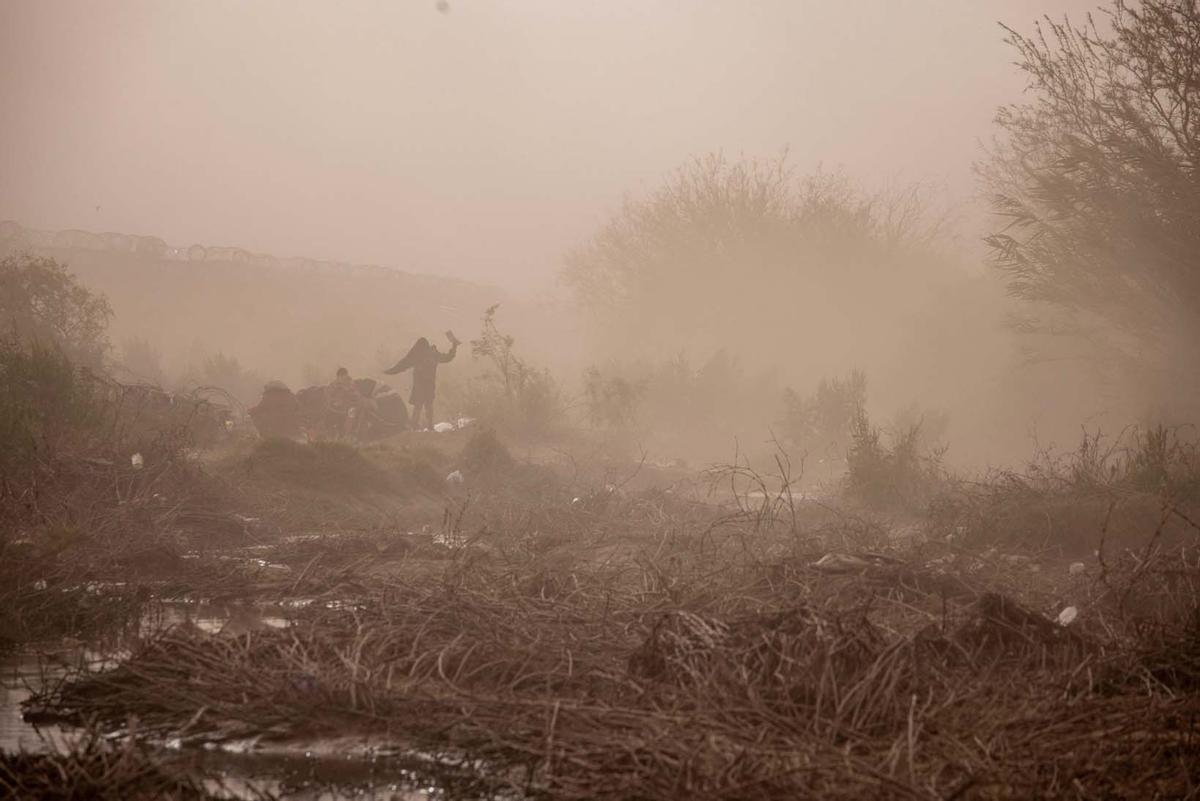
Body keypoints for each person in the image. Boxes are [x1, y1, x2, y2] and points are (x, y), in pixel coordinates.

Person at [384, 331, 459, 430]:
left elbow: (403, 364)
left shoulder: (418, 355)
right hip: (427, 384)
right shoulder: (432, 354)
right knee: (427, 405)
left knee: (420, 405)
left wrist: (391, 371)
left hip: (422, 384)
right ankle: (426, 425)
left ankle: (418, 425)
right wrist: (454, 346)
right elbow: (448, 358)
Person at [327, 367, 376, 439]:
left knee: (351, 414)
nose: (342, 379)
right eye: (340, 377)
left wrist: (347, 393)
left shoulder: (351, 383)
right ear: (338, 376)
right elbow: (329, 394)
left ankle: (348, 434)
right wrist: (334, 401)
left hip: (350, 406)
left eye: (344, 377)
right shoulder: (333, 384)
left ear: (346, 376)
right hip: (335, 407)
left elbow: (355, 395)